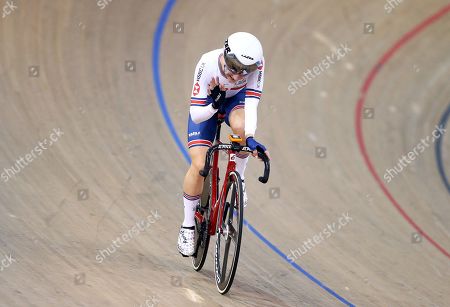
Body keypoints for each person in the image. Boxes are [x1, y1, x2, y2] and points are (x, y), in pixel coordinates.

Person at [177, 32, 270, 257]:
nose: (238, 74)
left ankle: (240, 177)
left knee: (241, 129)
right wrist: (214, 106)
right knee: (200, 166)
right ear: (225, 54)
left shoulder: (258, 65)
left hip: (236, 102)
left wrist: (250, 138)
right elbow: (197, 115)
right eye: (233, 66)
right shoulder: (207, 64)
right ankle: (188, 225)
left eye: (245, 70)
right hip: (207, 104)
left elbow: (251, 107)